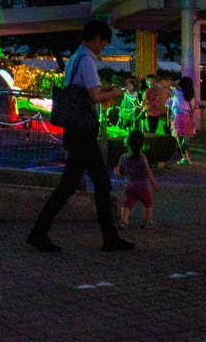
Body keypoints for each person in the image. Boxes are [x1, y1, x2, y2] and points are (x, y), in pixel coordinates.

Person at [27, 19, 134, 253]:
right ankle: (109, 238)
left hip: (75, 130)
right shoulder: (86, 60)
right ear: (96, 38)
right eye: (103, 43)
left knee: (69, 185)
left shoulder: (75, 58)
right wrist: (117, 91)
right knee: (101, 183)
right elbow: (94, 95)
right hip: (83, 131)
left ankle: (40, 232)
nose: (102, 48)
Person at [117, 128, 159, 228]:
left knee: (128, 203)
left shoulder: (123, 157)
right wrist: (154, 184)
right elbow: (147, 172)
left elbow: (121, 171)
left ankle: (124, 221)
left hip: (130, 185)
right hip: (142, 186)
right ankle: (147, 221)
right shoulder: (142, 158)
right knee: (148, 203)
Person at [170, 76, 197, 165]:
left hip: (178, 117)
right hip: (188, 118)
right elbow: (192, 108)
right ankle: (187, 158)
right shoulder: (191, 96)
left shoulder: (176, 92)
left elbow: (171, 86)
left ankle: (184, 157)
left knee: (179, 139)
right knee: (185, 140)